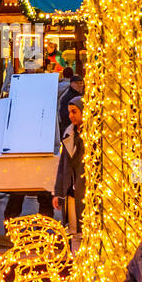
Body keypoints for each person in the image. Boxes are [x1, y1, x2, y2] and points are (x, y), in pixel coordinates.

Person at [54, 97, 85, 241]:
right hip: (71, 193)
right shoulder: (69, 133)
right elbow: (62, 166)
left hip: (85, 193)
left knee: (84, 233)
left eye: (74, 112)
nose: (71, 115)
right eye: (69, 112)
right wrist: (58, 193)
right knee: (74, 234)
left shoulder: (91, 136)